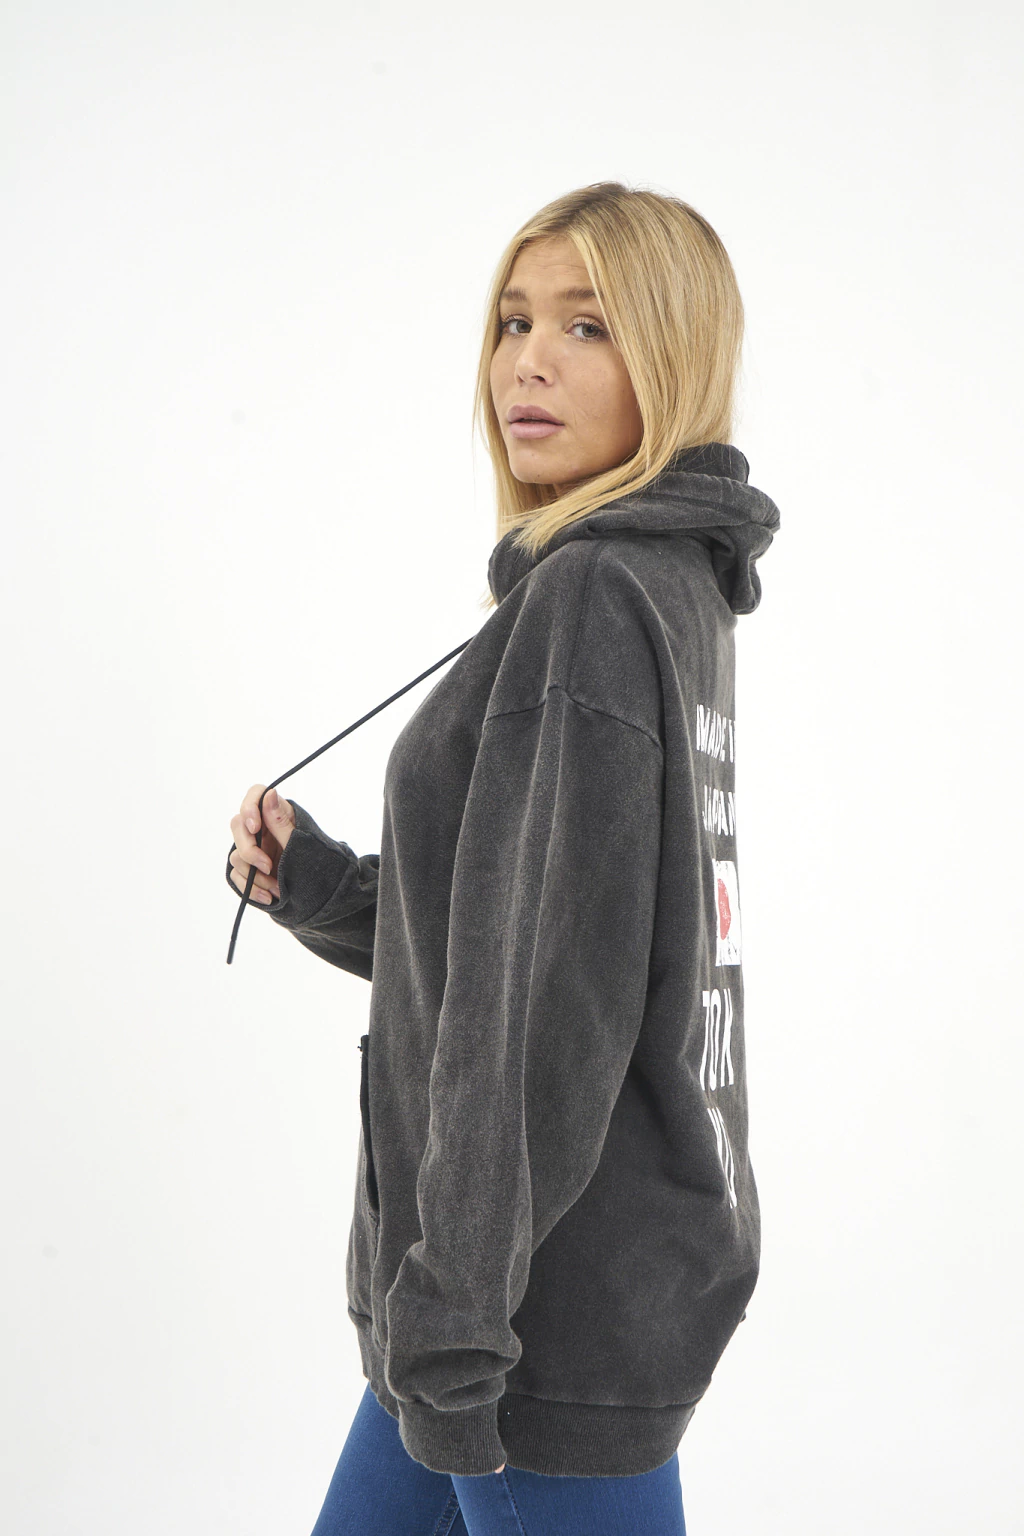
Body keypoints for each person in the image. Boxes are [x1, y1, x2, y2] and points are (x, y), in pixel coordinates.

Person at [225, 180, 781, 1535]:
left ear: (673, 357)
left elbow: (539, 1011)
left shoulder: (593, 600)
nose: (529, 360)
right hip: (515, 1276)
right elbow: (529, 930)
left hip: (526, 1316)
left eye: (589, 326)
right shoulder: (666, 590)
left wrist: (458, 1328)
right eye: (513, 320)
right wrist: (322, 889)